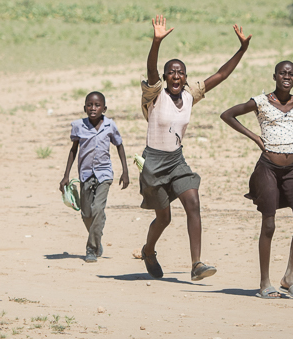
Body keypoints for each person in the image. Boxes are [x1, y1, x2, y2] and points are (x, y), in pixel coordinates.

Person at [139, 14, 251, 282]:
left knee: (193, 202)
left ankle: (196, 264)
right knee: (163, 219)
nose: (176, 75)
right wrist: (156, 43)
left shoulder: (190, 95)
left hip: (176, 160)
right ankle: (149, 250)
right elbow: (151, 70)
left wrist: (242, 49)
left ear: (185, 77)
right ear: (166, 77)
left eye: (180, 72)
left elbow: (221, 75)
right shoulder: (155, 95)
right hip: (154, 162)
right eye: (171, 72)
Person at [220, 60, 293, 300]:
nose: (287, 76)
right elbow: (228, 114)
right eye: (282, 73)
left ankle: (289, 277)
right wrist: (254, 136)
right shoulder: (261, 101)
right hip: (267, 169)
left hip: (291, 169)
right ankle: (265, 282)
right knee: (269, 223)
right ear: (274, 76)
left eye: (291, 74)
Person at [59, 91, 129, 263]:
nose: (93, 108)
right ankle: (97, 237)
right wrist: (66, 175)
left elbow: (119, 145)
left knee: (98, 209)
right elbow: (73, 150)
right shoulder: (78, 126)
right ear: (84, 108)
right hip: (85, 174)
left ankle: (91, 248)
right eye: (89, 105)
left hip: (104, 173)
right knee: (86, 214)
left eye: (97, 105)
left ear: (104, 108)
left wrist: (125, 171)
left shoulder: (110, 126)